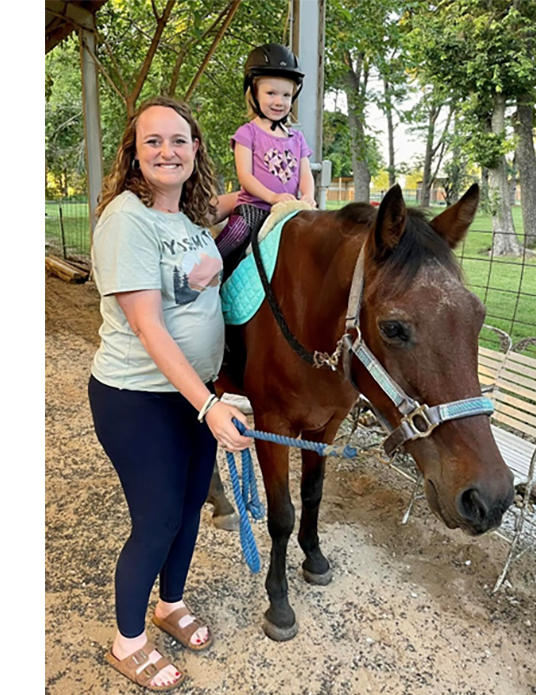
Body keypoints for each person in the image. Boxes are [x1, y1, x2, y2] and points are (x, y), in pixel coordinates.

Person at [87, 95, 253, 692]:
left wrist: (264, 201)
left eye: (179, 139)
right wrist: (210, 406)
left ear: (195, 149)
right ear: (133, 152)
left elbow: (219, 235)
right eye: (152, 140)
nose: (167, 150)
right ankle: (128, 642)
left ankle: (169, 605)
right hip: (139, 397)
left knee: (187, 510)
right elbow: (149, 326)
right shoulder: (126, 219)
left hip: (193, 395)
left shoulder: (186, 222)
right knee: (156, 520)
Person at [214, 43, 316, 281]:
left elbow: (305, 174)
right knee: (235, 236)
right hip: (254, 207)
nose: (279, 101)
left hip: (288, 210)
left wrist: (308, 196)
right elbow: (245, 177)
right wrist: (272, 198)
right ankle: (206, 277)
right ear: (254, 93)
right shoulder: (247, 133)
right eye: (271, 93)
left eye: (286, 95)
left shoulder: (297, 137)